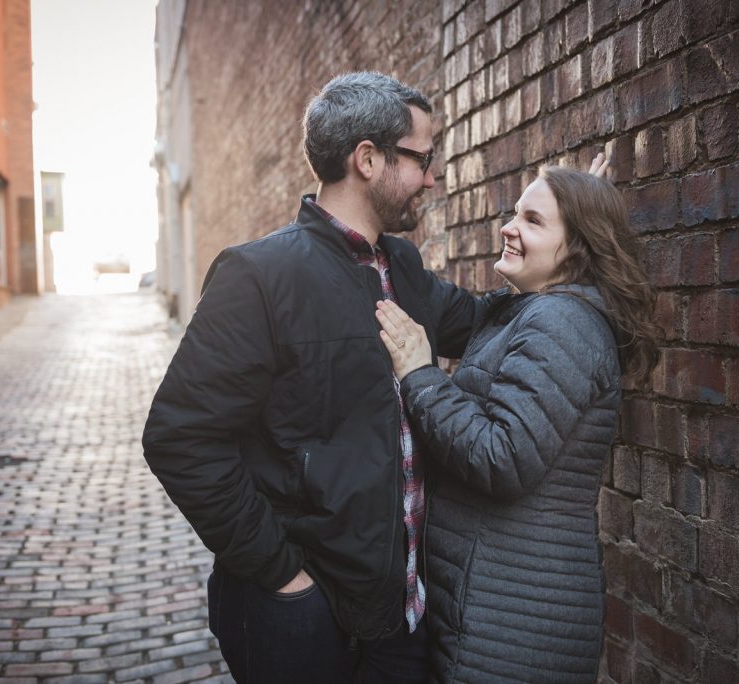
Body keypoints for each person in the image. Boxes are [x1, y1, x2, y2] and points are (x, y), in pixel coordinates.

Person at [141, 72, 490, 683]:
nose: (433, 178)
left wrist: (573, 240)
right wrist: (284, 577)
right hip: (299, 617)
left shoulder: (403, 267)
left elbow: (483, 321)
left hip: (400, 616)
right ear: (368, 159)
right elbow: (180, 436)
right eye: (423, 159)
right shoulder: (259, 275)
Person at [375, 165, 661, 682]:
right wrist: (575, 193)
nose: (509, 226)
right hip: (493, 604)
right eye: (514, 213)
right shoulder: (530, 311)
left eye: (532, 220)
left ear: (576, 249)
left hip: (514, 621)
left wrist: (420, 373)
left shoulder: (562, 321)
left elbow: (503, 457)